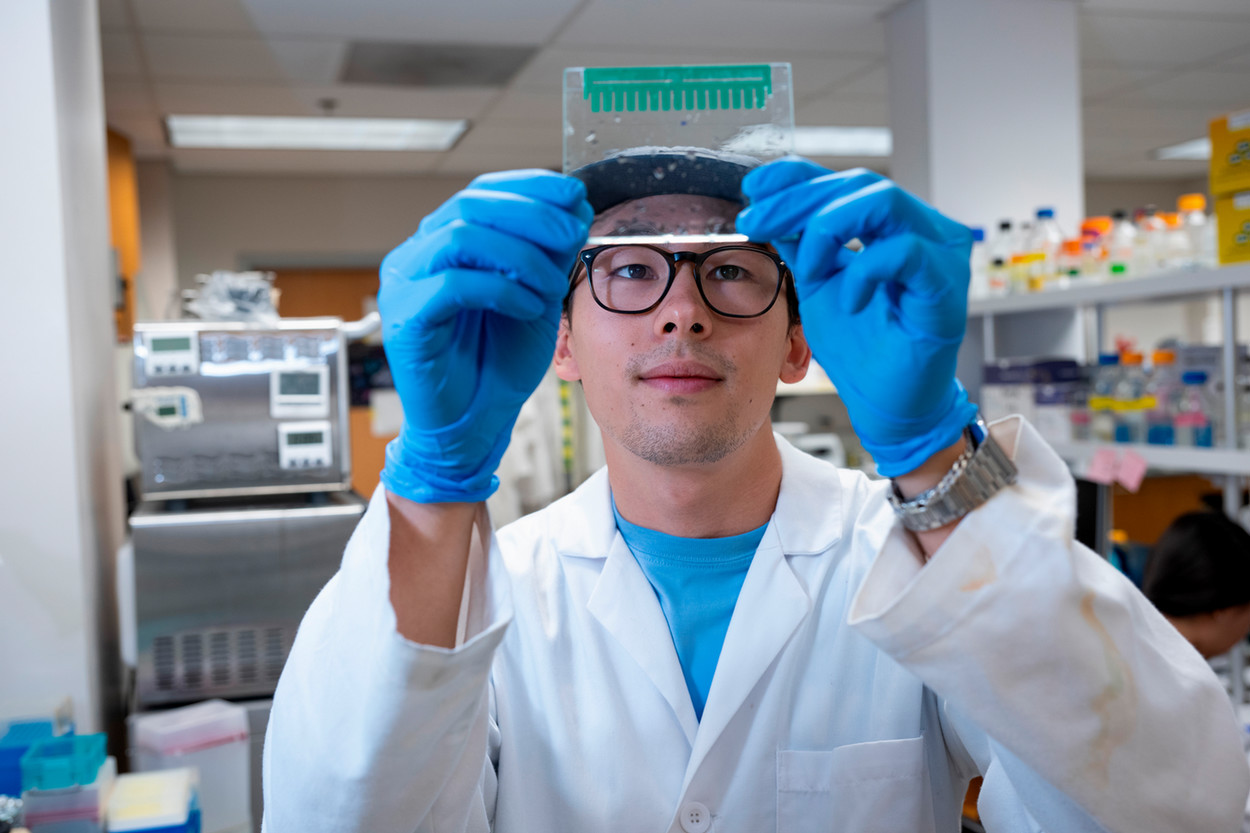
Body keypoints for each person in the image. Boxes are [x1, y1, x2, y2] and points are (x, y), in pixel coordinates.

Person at [262, 154, 1249, 832]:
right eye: (629, 270)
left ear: (795, 341)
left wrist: (937, 447)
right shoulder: (491, 585)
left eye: (730, 272)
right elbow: (340, 807)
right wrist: (431, 473)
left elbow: (1175, 795)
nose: (681, 312)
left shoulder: (911, 544)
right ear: (558, 341)